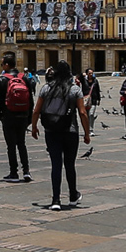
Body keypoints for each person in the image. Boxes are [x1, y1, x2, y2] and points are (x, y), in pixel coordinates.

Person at [30, 59, 91, 211]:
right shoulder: (75, 89)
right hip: (70, 132)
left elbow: (36, 110)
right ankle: (72, 196)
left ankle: (56, 199)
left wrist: (34, 127)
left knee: (56, 165)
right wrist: (86, 133)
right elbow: (83, 113)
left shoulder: (46, 88)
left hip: (51, 131)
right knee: (70, 165)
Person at [0, 55, 35, 183]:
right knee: (21, 144)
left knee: (11, 145)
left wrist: (0, 116)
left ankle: (14, 173)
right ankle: (26, 171)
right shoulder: (25, 78)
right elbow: (31, 99)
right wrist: (29, 117)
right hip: (23, 115)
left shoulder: (2, 80)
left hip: (9, 115)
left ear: (6, 65)